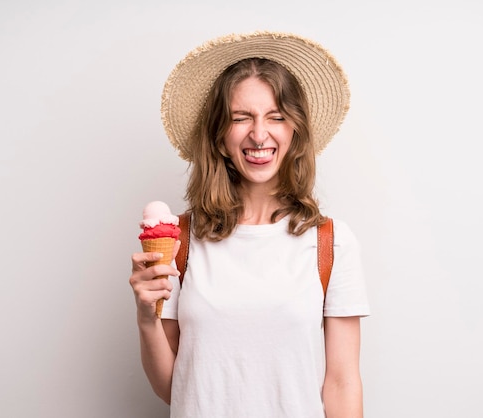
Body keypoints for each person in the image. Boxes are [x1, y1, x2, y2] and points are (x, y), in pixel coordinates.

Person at [129, 31, 370, 418]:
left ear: (294, 133)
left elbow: (342, 384)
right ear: (221, 138)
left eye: (276, 117)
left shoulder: (332, 242)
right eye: (241, 118)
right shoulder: (181, 240)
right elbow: (171, 387)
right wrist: (145, 317)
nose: (259, 134)